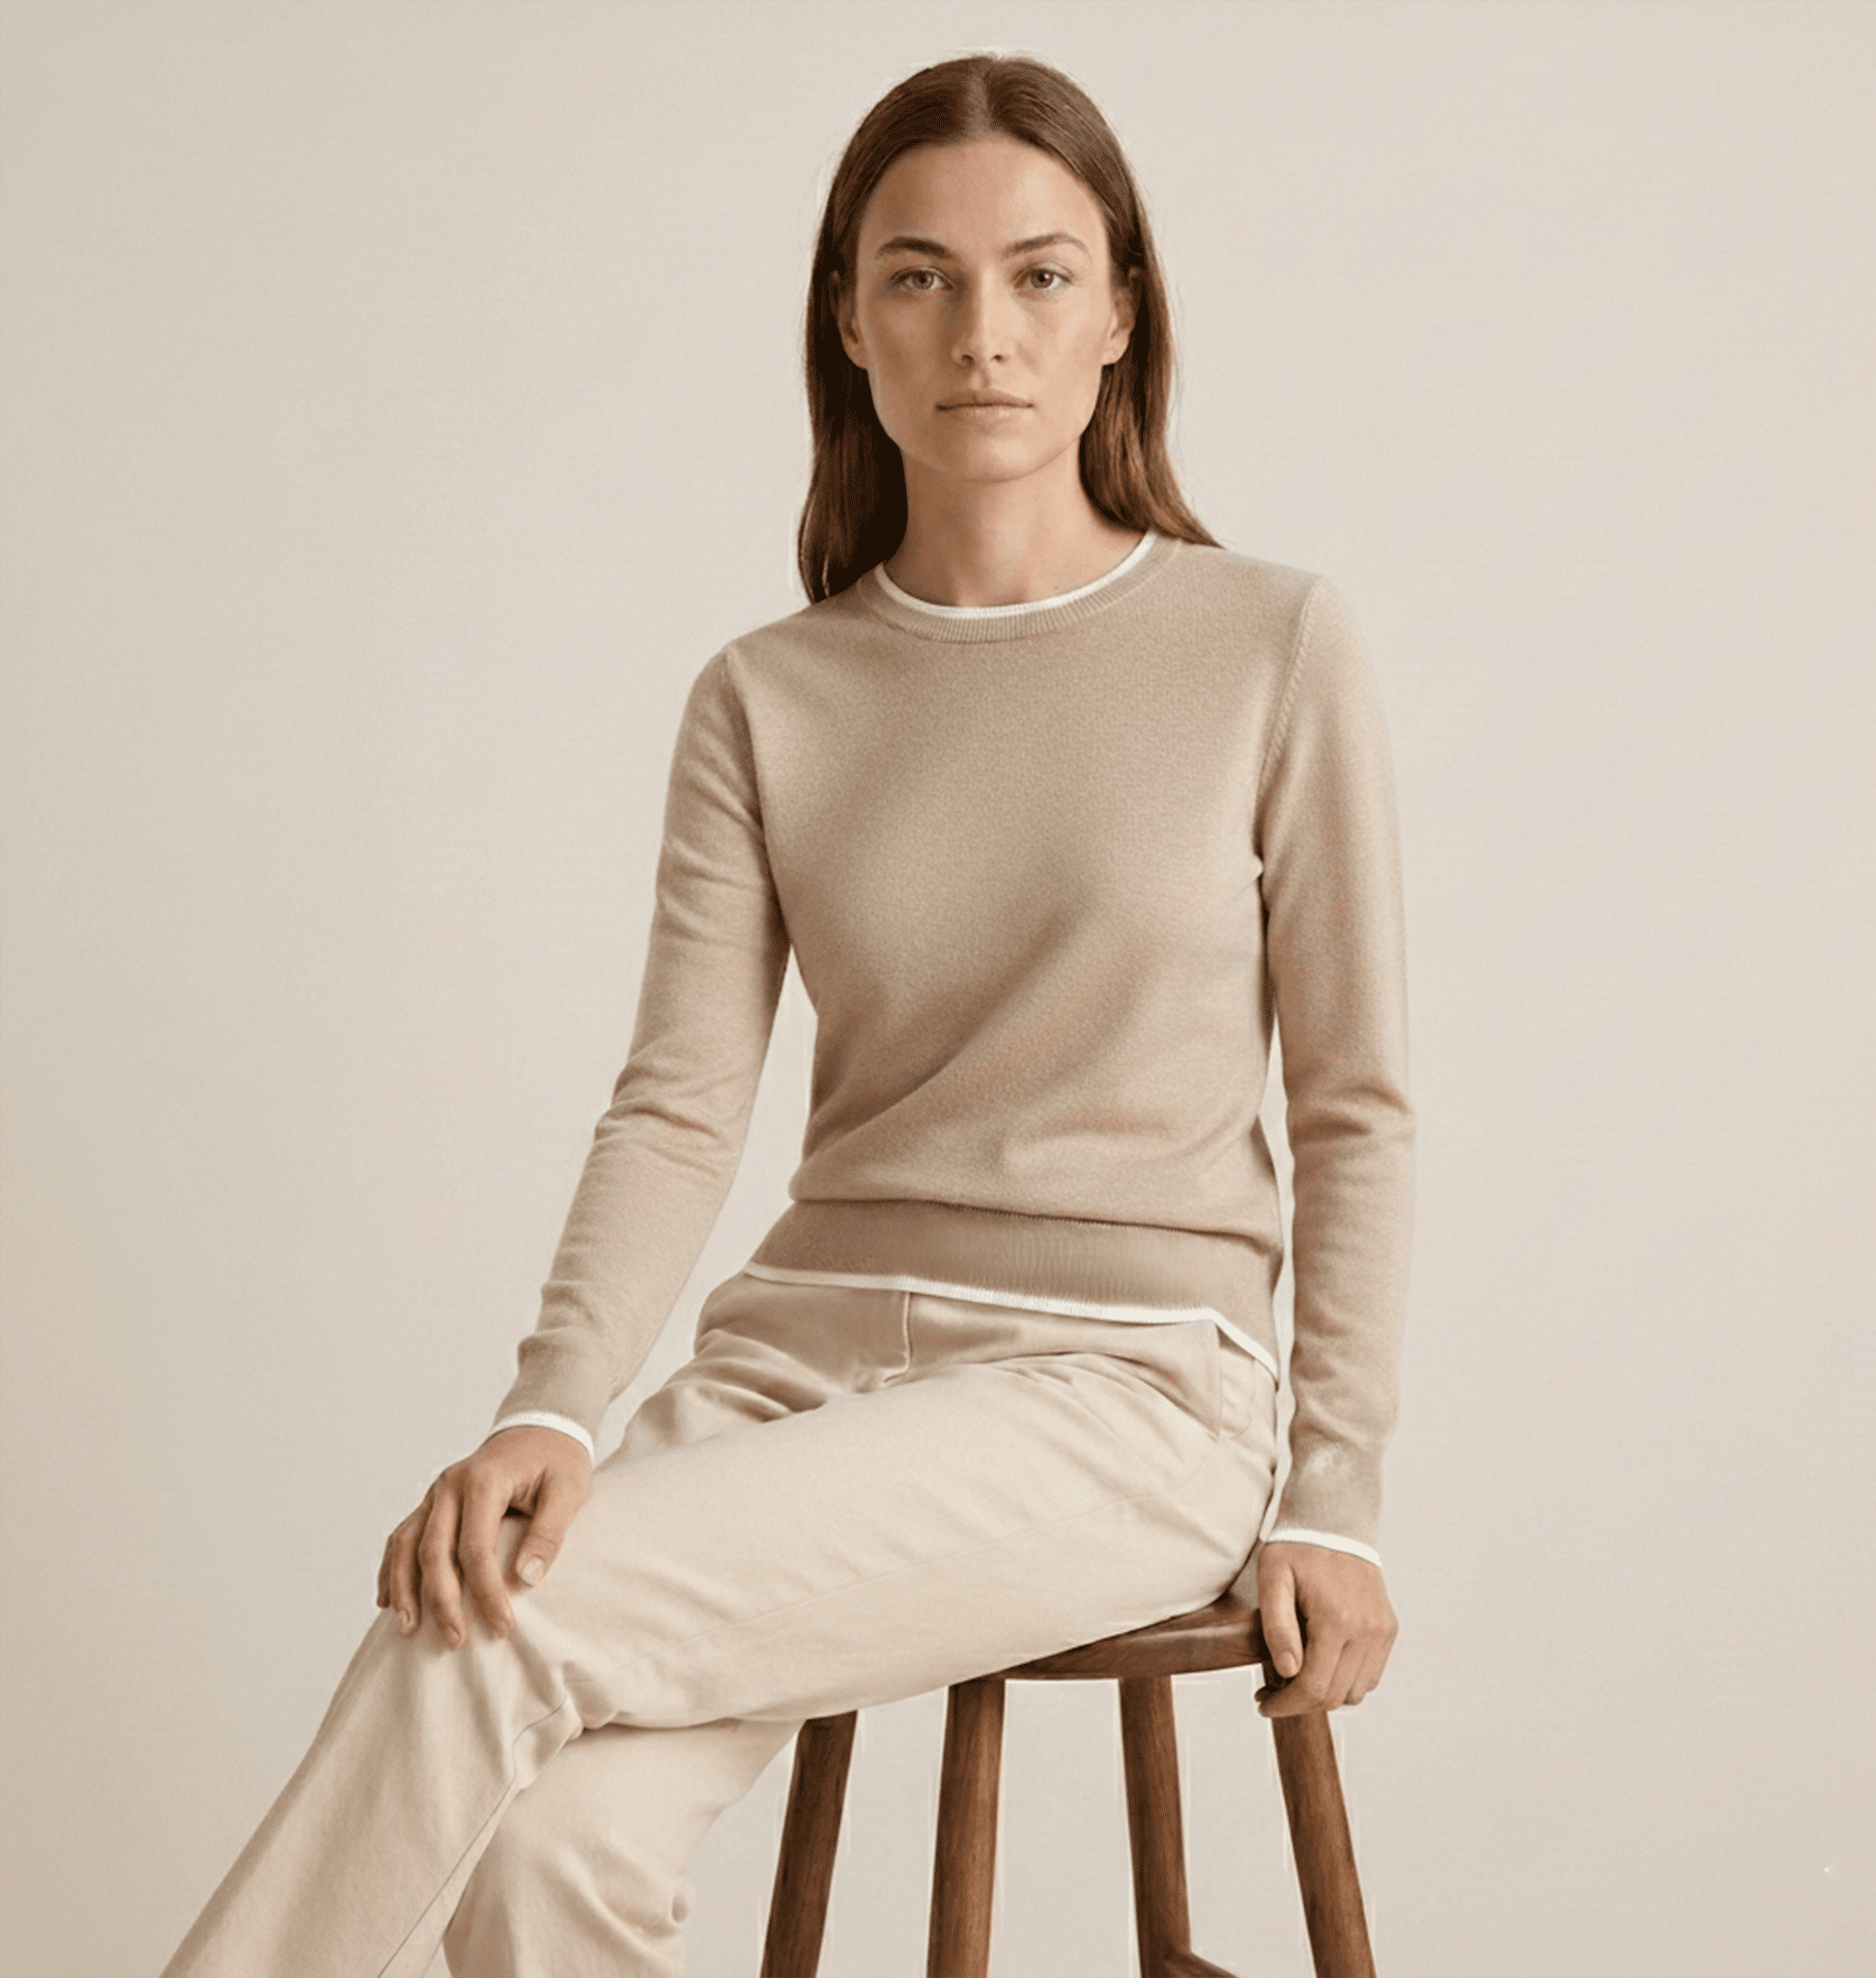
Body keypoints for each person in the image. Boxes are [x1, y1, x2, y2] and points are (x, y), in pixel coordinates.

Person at [160, 49, 1412, 1978]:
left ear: (1119, 314)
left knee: (482, 1629)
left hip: (1127, 1388)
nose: (981, 330)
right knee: (542, 1845)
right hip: (795, 1369)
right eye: (920, 276)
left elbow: (1352, 1103)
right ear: (848, 319)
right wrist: (550, 1404)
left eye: (1039, 275)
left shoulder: (1270, 643)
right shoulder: (767, 697)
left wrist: (1338, 1491)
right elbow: (679, 1103)